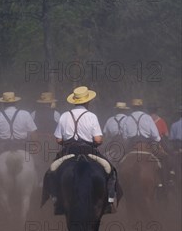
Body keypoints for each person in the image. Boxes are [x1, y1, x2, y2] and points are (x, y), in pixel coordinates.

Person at [53, 86, 120, 214]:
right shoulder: (91, 116)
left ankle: (56, 200)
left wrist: (67, 141)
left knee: (52, 171)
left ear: (74, 101)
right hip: (88, 150)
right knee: (111, 171)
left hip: (68, 150)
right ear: (87, 101)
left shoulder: (64, 116)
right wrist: (95, 142)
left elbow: (58, 140)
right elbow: (98, 139)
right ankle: (110, 201)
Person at [123, 98, 172, 188]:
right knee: (164, 158)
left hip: (132, 144)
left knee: (120, 160)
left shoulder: (127, 118)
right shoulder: (147, 117)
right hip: (147, 144)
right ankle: (163, 182)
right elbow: (156, 136)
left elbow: (125, 136)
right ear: (142, 107)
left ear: (132, 108)